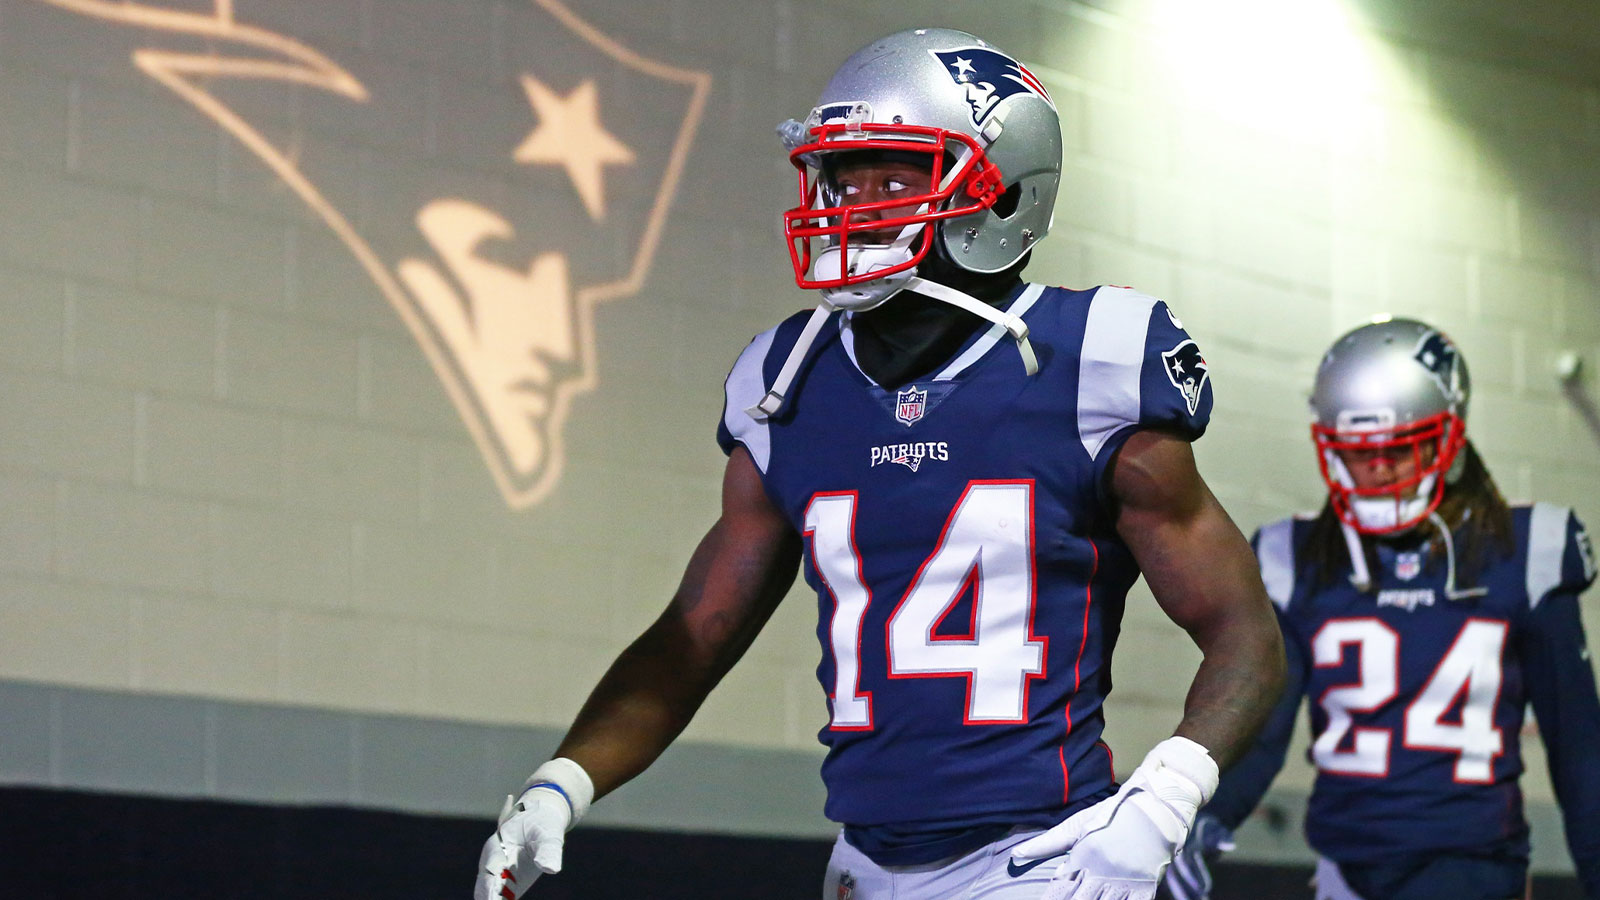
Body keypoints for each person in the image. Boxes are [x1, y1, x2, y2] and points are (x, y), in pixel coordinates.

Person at [476, 28, 1286, 900]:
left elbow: (1246, 634)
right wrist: (566, 779)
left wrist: (1166, 800)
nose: (854, 205)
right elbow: (692, 638)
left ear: (1001, 190)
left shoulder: (1093, 358)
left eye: (895, 177)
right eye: (841, 177)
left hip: (1044, 862)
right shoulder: (787, 379)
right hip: (861, 867)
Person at [1162, 318, 1600, 900]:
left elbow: (1579, 753)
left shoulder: (1524, 550)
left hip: (1477, 871)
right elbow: (1262, 727)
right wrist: (1197, 818)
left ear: (1448, 437)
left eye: (1401, 449)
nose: (1379, 469)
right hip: (1346, 872)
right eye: (1359, 453)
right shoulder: (1297, 558)